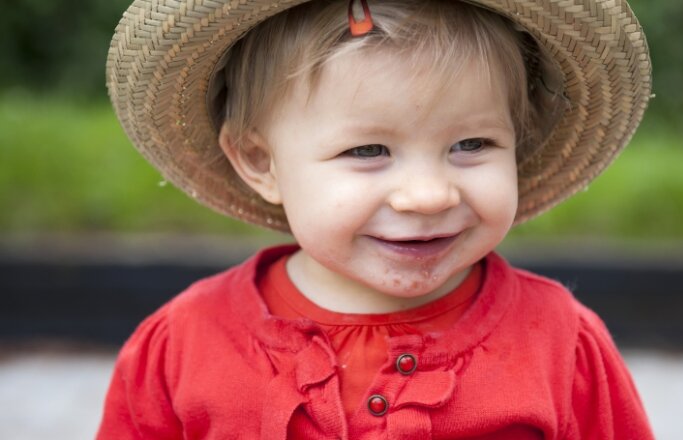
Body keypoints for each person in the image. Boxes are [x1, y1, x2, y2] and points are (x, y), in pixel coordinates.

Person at [98, 0, 654, 438]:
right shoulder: (181, 347)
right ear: (260, 161)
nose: (428, 195)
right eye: (368, 151)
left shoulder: (562, 344)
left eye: (471, 142)